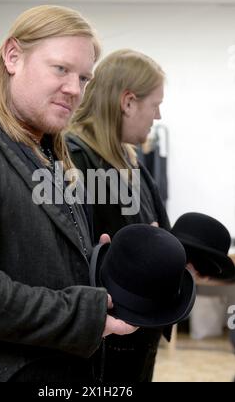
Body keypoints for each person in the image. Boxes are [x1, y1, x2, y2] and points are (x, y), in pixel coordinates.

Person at [0, 6, 137, 383]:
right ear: (13, 56)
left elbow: (33, 255)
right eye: (61, 69)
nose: (75, 90)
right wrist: (85, 314)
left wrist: (96, 263)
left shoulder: (43, 147)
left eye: (84, 78)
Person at [67, 49, 171, 383]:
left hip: (137, 335)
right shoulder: (73, 160)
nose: (157, 116)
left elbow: (157, 230)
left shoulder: (130, 162)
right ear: (127, 102)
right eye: (155, 104)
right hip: (103, 342)